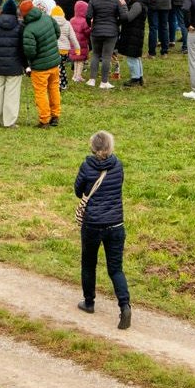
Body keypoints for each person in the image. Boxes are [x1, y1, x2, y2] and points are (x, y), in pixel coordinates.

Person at [75, 130, 130, 330]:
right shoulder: (117, 165)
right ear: (110, 146)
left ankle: (89, 302)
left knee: (88, 263)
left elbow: (78, 190)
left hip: (92, 224)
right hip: (116, 224)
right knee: (115, 268)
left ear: (93, 147)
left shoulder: (87, 166)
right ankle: (125, 306)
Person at [21, 0, 62, 126]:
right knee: (54, 88)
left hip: (40, 67)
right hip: (54, 61)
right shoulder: (47, 17)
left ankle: (44, 119)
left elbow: (30, 52)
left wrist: (30, 62)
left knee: (41, 92)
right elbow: (58, 33)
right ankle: (55, 115)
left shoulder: (29, 30)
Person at [84, 0, 122, 88]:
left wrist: (91, 25)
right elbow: (122, 16)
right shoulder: (115, 1)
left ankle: (92, 79)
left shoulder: (93, 0)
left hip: (96, 31)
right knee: (107, 56)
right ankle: (104, 82)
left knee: (95, 54)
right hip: (111, 32)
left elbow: (88, 16)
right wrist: (116, 24)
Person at [117, 0, 147, 88]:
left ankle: (135, 78)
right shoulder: (138, 2)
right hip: (135, 32)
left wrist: (123, 8)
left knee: (132, 56)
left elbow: (128, 18)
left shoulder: (137, 4)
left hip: (133, 33)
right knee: (135, 56)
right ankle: (139, 77)